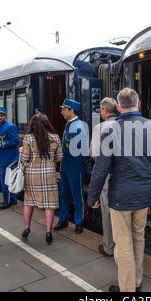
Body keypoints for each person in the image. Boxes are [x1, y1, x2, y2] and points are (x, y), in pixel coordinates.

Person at [87, 88, 151, 292]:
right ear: (139, 104)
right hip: (145, 194)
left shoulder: (110, 129)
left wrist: (93, 196)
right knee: (138, 237)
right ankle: (137, 281)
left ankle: (127, 289)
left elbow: (101, 168)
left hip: (120, 196)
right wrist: (148, 170)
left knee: (123, 243)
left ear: (118, 107)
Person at [19, 113, 62, 245]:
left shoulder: (28, 139)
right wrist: (50, 161)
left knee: (29, 202)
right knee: (50, 204)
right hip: (49, 175)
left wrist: (21, 152)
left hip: (32, 175)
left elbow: (24, 159)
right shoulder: (55, 138)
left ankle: (26, 227)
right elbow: (60, 157)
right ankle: (48, 232)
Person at [54, 98, 89, 234]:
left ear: (71, 110)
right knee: (64, 194)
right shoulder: (69, 124)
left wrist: (79, 163)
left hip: (75, 166)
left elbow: (84, 151)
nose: (61, 112)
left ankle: (78, 222)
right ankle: (63, 220)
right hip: (66, 165)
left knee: (77, 195)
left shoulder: (78, 126)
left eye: (64, 109)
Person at [90, 97, 118, 258]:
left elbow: (94, 154)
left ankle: (109, 246)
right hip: (122, 174)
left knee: (107, 210)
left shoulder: (100, 127)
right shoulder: (125, 125)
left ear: (105, 111)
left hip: (106, 174)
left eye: (101, 109)